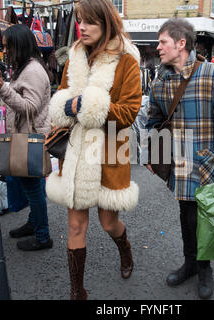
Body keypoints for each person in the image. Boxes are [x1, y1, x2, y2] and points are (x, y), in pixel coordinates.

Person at [46, 0, 141, 300]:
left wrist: (89, 106)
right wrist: (68, 106)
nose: (81, 28)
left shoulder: (127, 60)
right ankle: (78, 292)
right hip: (76, 153)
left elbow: (129, 112)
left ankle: (125, 249)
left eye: (89, 22)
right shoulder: (74, 55)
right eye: (79, 21)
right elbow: (62, 98)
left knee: (108, 221)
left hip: (112, 151)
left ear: (106, 23)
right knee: (76, 224)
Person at [145, 19, 214, 299]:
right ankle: (190, 264)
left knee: (204, 218)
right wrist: (151, 153)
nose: (158, 47)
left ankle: (204, 267)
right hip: (181, 162)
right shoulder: (161, 79)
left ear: (181, 43)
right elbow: (153, 119)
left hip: (208, 162)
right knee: (186, 217)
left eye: (163, 42)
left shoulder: (213, 75)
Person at [0, 24, 53, 251]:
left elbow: (30, 107)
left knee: (33, 189)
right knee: (33, 187)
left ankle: (43, 236)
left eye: (8, 47)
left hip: (29, 140)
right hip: (24, 137)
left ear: (19, 46)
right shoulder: (25, 68)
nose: (5, 52)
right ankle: (34, 225)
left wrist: (3, 88)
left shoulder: (32, 71)